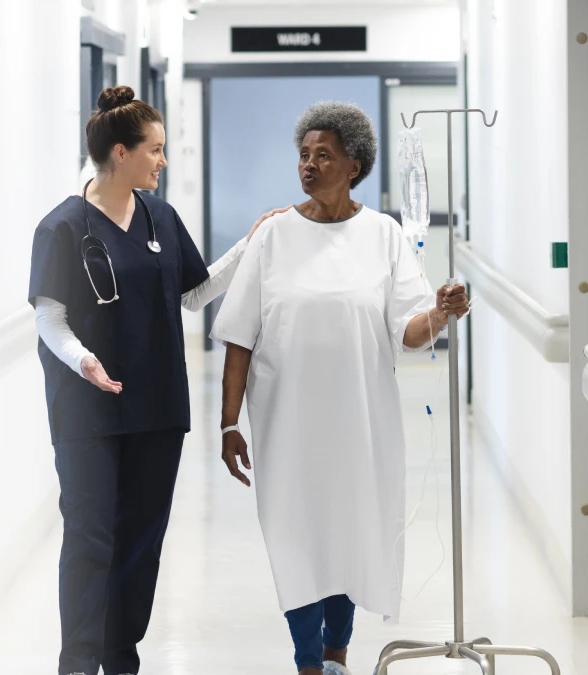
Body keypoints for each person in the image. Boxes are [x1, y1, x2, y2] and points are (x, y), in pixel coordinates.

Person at [27, 85, 289, 675]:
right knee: (91, 538)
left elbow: (193, 294)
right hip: (87, 411)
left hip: (156, 408)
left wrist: (252, 244)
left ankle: (121, 658)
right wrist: (84, 362)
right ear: (121, 153)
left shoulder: (160, 217)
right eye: (156, 150)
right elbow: (50, 316)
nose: (163, 161)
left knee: (141, 542)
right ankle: (78, 662)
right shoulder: (62, 226)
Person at [209, 102, 469, 675]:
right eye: (303, 155)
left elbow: (409, 327)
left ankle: (337, 654)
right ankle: (307, 662)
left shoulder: (384, 235)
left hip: (360, 423)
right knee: (296, 537)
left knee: (348, 536)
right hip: (286, 426)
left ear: (354, 165)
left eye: (323, 155)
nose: (308, 165)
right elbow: (237, 338)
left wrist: (442, 314)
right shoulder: (272, 236)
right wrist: (230, 423)